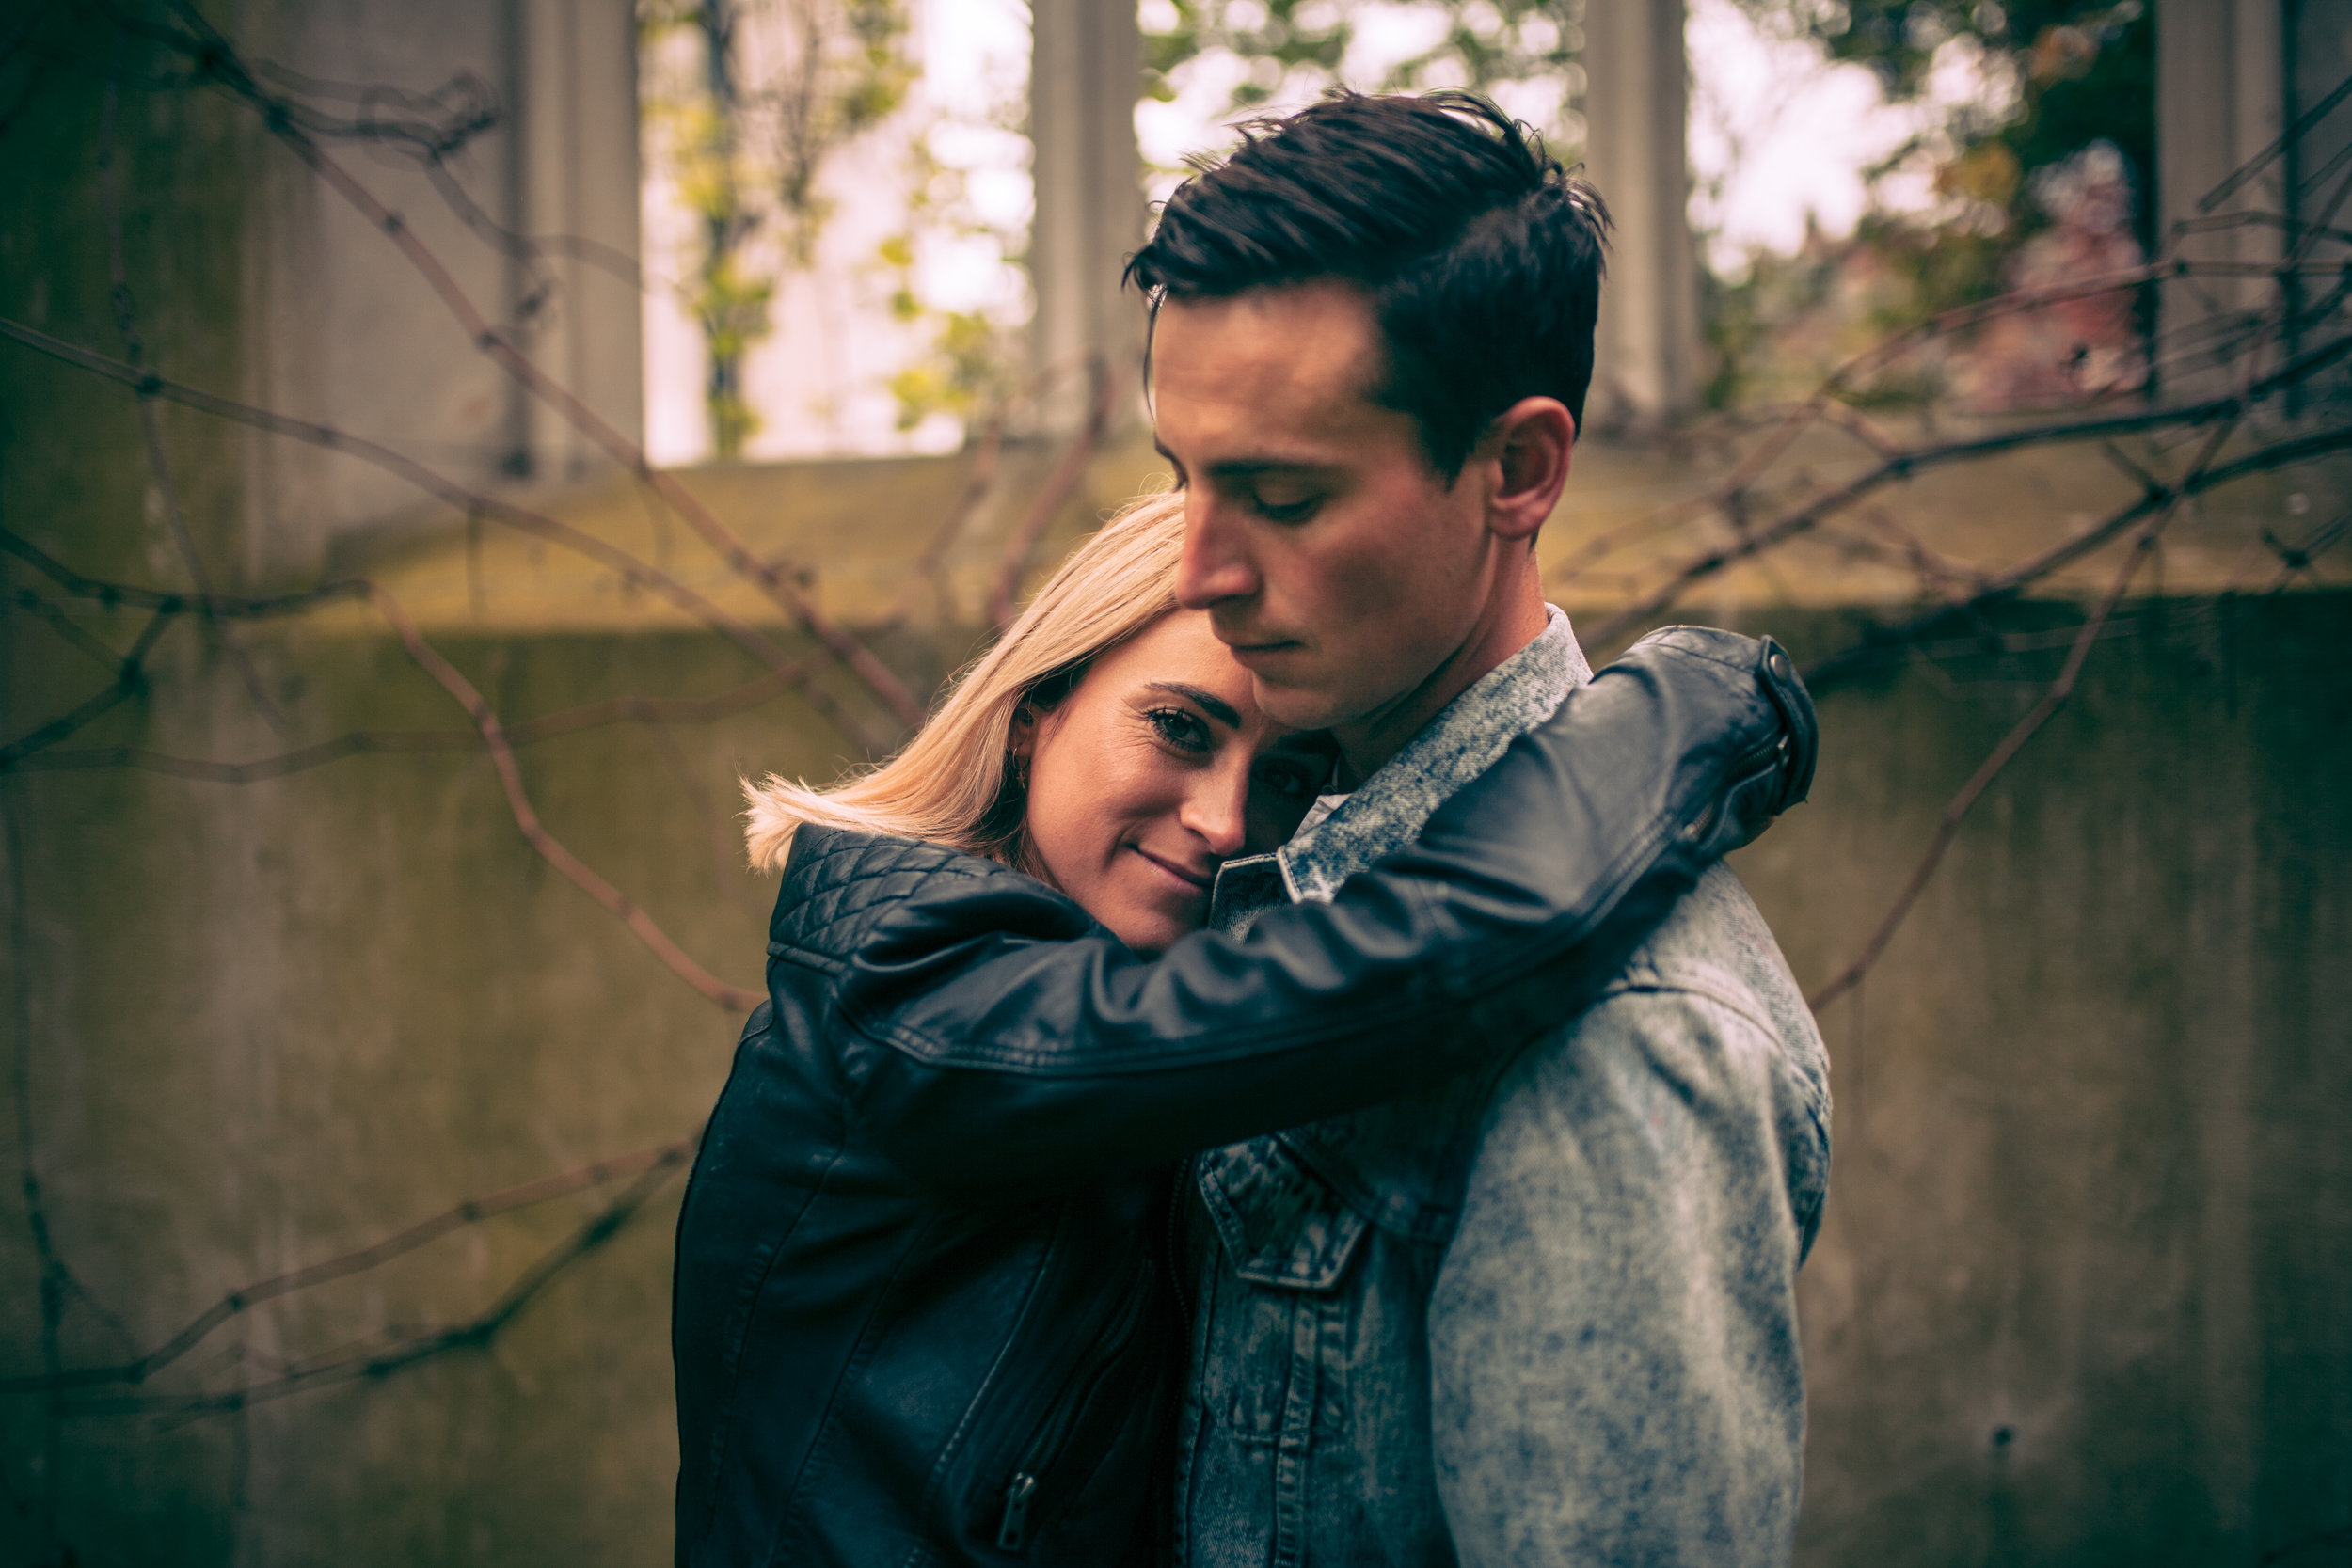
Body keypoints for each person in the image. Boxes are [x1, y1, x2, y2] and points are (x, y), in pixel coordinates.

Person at [670, 490, 1816, 1565]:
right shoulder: (908, 996)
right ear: (1033, 713)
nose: (1225, 820)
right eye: (1176, 726)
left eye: (1284, 776)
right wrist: (1700, 702)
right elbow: (1422, 953)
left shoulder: (1079, 997)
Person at [1127, 91, 1832, 1565]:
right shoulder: (1244, 849)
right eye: (1179, 477)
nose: (1196, 569)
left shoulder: (1620, 1044)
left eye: (1282, 494)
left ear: (1518, 470)